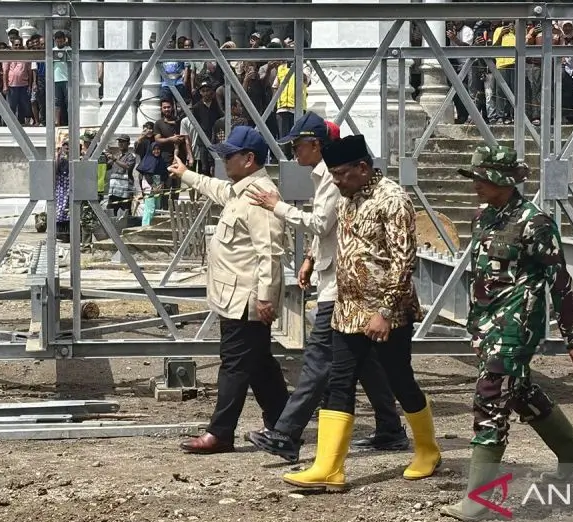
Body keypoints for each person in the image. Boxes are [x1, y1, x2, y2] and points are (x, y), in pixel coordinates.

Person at [439, 145, 573, 522]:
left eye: (482, 178)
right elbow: (482, 277)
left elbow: (560, 282)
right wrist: (475, 325)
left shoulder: (535, 223)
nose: (475, 184)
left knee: (491, 397)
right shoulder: (483, 217)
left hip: (516, 328)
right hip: (487, 326)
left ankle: (479, 499)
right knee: (519, 390)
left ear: (504, 181)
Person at [244, 113, 408, 463]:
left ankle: (286, 433)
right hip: (339, 279)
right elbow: (335, 228)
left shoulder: (339, 179)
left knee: (319, 359)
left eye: (297, 146)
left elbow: (323, 224)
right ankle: (390, 427)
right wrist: (310, 258)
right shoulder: (332, 175)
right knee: (364, 361)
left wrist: (278, 207)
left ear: (315, 144)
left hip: (343, 286)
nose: (294, 153)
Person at [282, 134, 441, 492]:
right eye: (333, 175)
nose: (337, 181)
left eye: (341, 174)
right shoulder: (347, 198)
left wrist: (385, 311)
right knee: (339, 381)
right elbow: (333, 239)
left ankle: (427, 450)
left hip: (388, 311)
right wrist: (310, 258)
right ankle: (328, 467)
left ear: (363, 168)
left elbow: (404, 261)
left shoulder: (393, 199)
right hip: (348, 308)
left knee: (399, 379)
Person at [168, 126, 290, 454]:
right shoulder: (242, 190)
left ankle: (220, 433)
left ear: (249, 159)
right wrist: (186, 174)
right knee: (260, 364)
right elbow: (217, 189)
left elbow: (269, 252)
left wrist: (265, 296)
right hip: (235, 296)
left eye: (229, 155)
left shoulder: (260, 196)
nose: (224, 161)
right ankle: (284, 423)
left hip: (246, 299)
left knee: (235, 365)